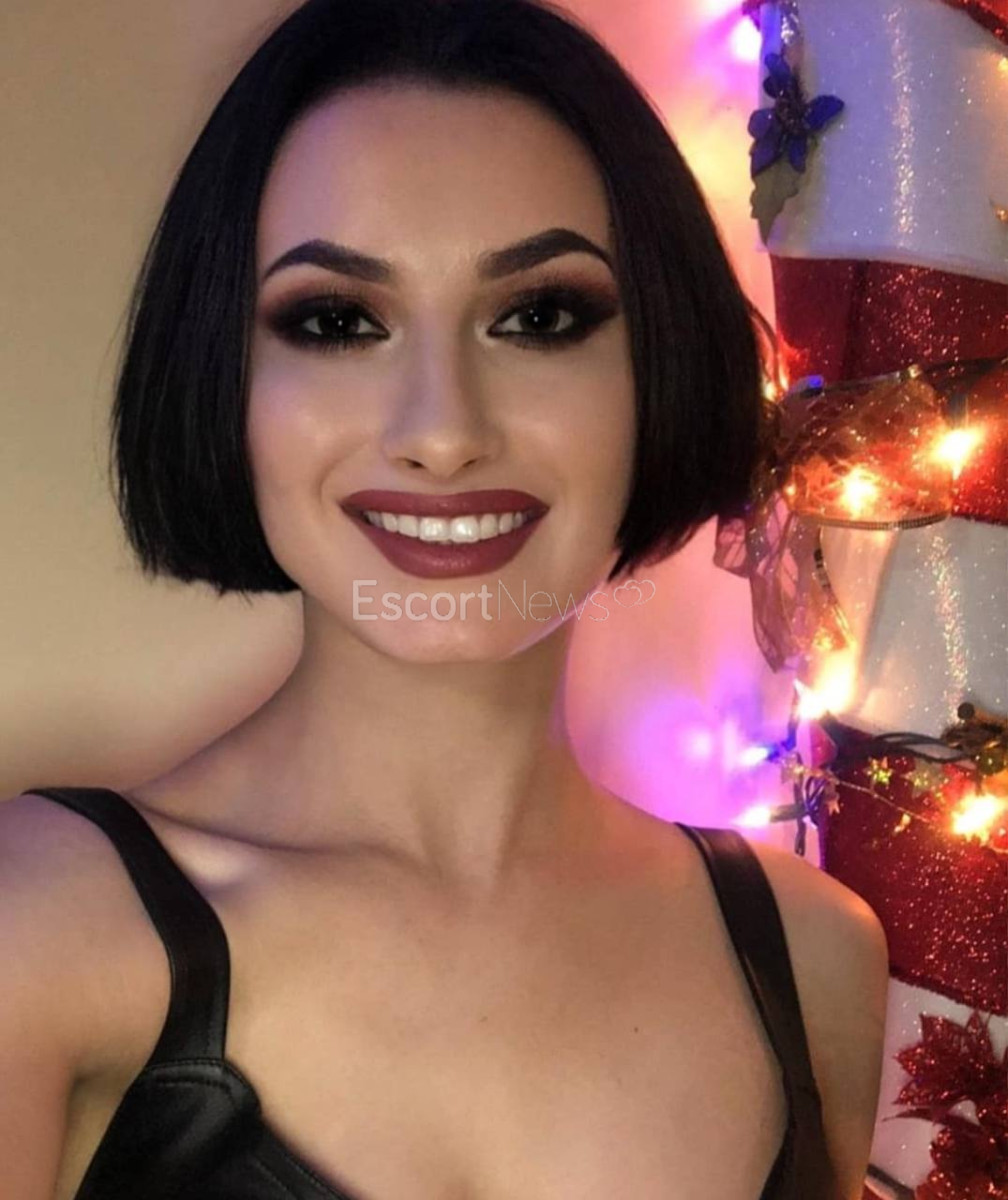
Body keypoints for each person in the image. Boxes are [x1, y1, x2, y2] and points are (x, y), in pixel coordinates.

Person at [1, 1, 889, 1197]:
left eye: (539, 317)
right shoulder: (34, 929)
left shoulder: (816, 957)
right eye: (337, 321)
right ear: (225, 377)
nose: (444, 431)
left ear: (657, 361)